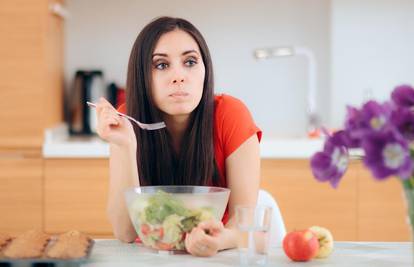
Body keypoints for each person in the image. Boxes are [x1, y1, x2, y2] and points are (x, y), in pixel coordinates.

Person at [95, 16, 262, 257]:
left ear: (205, 70)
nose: (179, 76)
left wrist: (217, 240)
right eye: (162, 65)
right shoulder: (126, 120)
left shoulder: (231, 115)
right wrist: (125, 145)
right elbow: (125, 232)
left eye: (190, 61)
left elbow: (244, 225)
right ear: (143, 77)